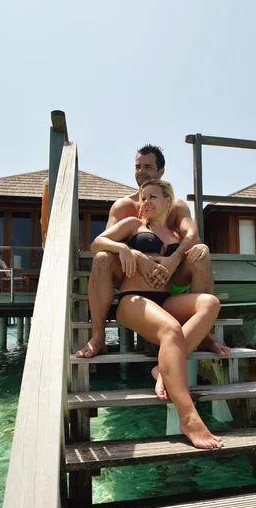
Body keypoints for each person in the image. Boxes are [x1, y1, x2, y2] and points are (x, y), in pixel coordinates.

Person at [90, 179, 223, 450]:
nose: (145, 202)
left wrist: (175, 259)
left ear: (167, 201)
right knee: (172, 331)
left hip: (165, 300)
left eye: (152, 197)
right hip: (133, 300)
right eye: (143, 198)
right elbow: (97, 242)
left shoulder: (176, 235)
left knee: (210, 303)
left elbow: (194, 240)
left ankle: (164, 367)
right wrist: (127, 249)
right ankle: (189, 418)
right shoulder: (133, 225)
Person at [76, 144, 230, 359]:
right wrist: (136, 255)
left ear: (161, 172)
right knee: (102, 258)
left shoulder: (174, 206)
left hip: (170, 276)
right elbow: (103, 244)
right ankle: (98, 335)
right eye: (138, 166)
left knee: (201, 252)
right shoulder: (123, 207)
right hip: (131, 275)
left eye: (147, 166)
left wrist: (174, 259)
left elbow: (192, 235)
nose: (141, 171)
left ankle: (202, 334)